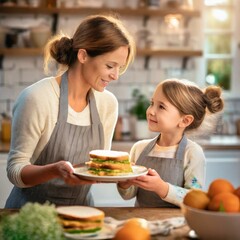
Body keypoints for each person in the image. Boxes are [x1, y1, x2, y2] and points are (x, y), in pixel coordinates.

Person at [5, 14, 135, 208]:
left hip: (81, 215)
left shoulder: (107, 104)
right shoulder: (37, 98)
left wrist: (124, 177)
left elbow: (97, 168)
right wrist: (55, 171)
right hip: (29, 216)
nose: (115, 76)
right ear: (83, 55)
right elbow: (15, 171)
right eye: (110, 66)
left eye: (120, 68)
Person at [117, 78, 224, 207]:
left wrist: (162, 187)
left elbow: (195, 199)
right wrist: (125, 183)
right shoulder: (139, 148)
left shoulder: (192, 153)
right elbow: (128, 195)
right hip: (142, 224)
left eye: (161, 106)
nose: (150, 111)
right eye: (152, 103)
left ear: (185, 120)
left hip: (177, 224)